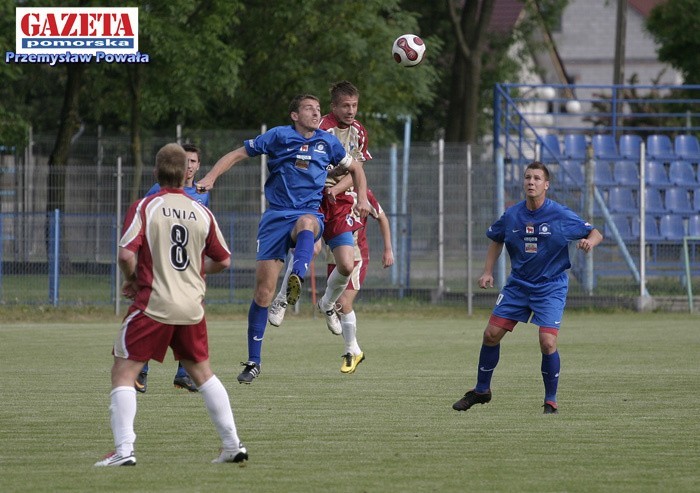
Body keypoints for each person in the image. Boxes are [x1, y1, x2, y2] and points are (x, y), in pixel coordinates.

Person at [195, 93, 371, 384]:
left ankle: (296, 277)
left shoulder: (327, 142)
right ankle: (254, 361)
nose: (316, 114)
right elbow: (237, 154)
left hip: (309, 212)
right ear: (294, 115)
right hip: (275, 217)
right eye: (309, 109)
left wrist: (362, 196)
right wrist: (211, 177)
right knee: (263, 293)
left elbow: (356, 168)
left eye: (318, 109)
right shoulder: (278, 136)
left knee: (307, 223)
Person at [95, 143, 247, 466]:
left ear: (156, 172)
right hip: (192, 306)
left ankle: (124, 451)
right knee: (203, 373)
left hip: (154, 303)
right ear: (186, 173)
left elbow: (125, 254)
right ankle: (232, 444)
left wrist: (134, 278)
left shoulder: (146, 206)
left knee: (123, 373)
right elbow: (225, 260)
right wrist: (195, 270)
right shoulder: (201, 211)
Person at [452, 161, 603, 415]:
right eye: (527, 178)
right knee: (490, 335)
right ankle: (481, 391)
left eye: (536, 178)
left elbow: (596, 232)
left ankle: (551, 401)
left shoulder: (560, 215)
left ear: (546, 185)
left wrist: (590, 242)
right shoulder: (512, 214)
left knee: (547, 342)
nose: (531, 182)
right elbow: (496, 239)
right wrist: (488, 271)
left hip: (550, 287)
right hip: (518, 286)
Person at [266, 80, 393, 373]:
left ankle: (326, 303)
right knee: (308, 247)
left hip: (341, 202)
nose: (351, 111)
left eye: (355, 106)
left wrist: (352, 193)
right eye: (345, 106)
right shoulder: (318, 126)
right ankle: (282, 301)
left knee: (347, 266)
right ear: (333, 106)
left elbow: (356, 170)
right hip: (313, 197)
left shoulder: (359, 132)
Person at [135, 143, 209, 394]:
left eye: (193, 162)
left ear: (199, 166)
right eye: (184, 161)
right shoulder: (157, 191)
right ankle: (140, 371)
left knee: (188, 320)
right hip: (161, 267)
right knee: (153, 318)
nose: (188, 166)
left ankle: (183, 375)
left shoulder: (203, 192)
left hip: (188, 269)